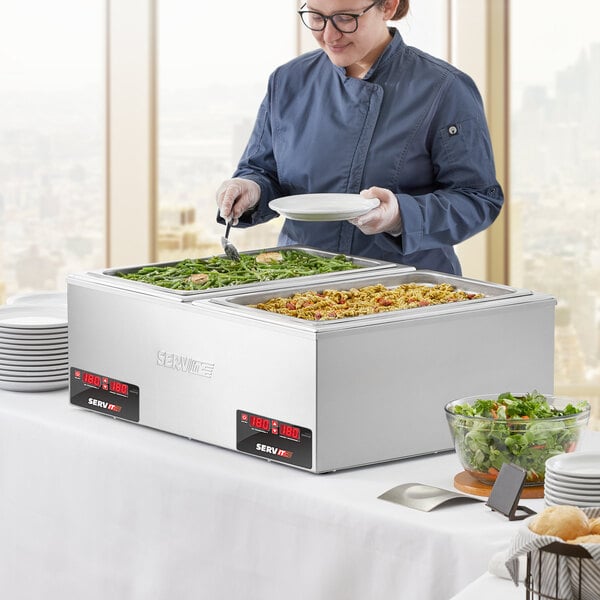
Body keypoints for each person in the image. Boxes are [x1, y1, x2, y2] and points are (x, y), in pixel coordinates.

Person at [216, 0, 503, 275]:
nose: (329, 34)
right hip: (300, 285)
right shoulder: (289, 81)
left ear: (388, 6)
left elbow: (477, 199)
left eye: (346, 18)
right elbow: (263, 171)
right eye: (316, 17)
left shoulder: (444, 88)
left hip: (405, 290)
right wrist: (250, 189)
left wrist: (399, 216)